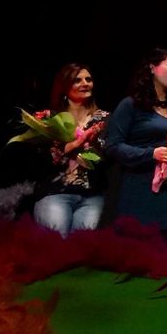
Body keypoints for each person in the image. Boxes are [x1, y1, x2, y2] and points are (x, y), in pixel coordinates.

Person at [103, 48, 167, 229]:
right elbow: (113, 146)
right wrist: (151, 154)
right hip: (140, 190)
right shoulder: (131, 105)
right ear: (152, 68)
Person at [31, 63, 109, 237]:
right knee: (56, 249)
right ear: (64, 87)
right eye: (77, 80)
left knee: (83, 252)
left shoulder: (103, 119)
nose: (85, 83)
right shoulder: (49, 118)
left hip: (92, 196)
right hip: (55, 192)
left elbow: (111, 155)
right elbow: (38, 158)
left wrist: (95, 148)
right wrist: (74, 145)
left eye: (88, 79)